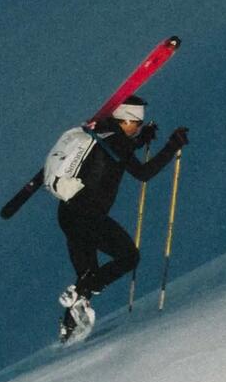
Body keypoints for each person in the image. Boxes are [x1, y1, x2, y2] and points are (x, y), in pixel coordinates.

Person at [51, 98, 186, 340]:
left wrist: (141, 138)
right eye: (136, 123)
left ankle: (67, 329)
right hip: (87, 215)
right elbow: (143, 173)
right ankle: (79, 293)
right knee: (128, 257)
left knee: (88, 273)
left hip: (69, 214)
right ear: (123, 119)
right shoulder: (117, 143)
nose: (137, 127)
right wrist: (172, 146)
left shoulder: (102, 134)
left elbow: (113, 155)